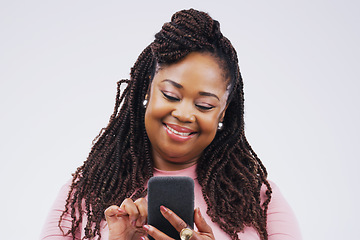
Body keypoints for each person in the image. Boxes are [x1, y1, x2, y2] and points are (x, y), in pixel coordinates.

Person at [40, 8, 302, 240]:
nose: (185, 114)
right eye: (171, 96)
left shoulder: (259, 200)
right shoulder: (84, 194)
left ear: (222, 114)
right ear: (147, 91)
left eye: (204, 106)